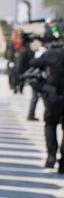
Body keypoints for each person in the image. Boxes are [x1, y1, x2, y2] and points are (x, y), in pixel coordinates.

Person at [29, 36, 64, 172]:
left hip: (53, 95)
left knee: (50, 125)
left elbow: (33, 62)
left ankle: (51, 156)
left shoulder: (52, 53)